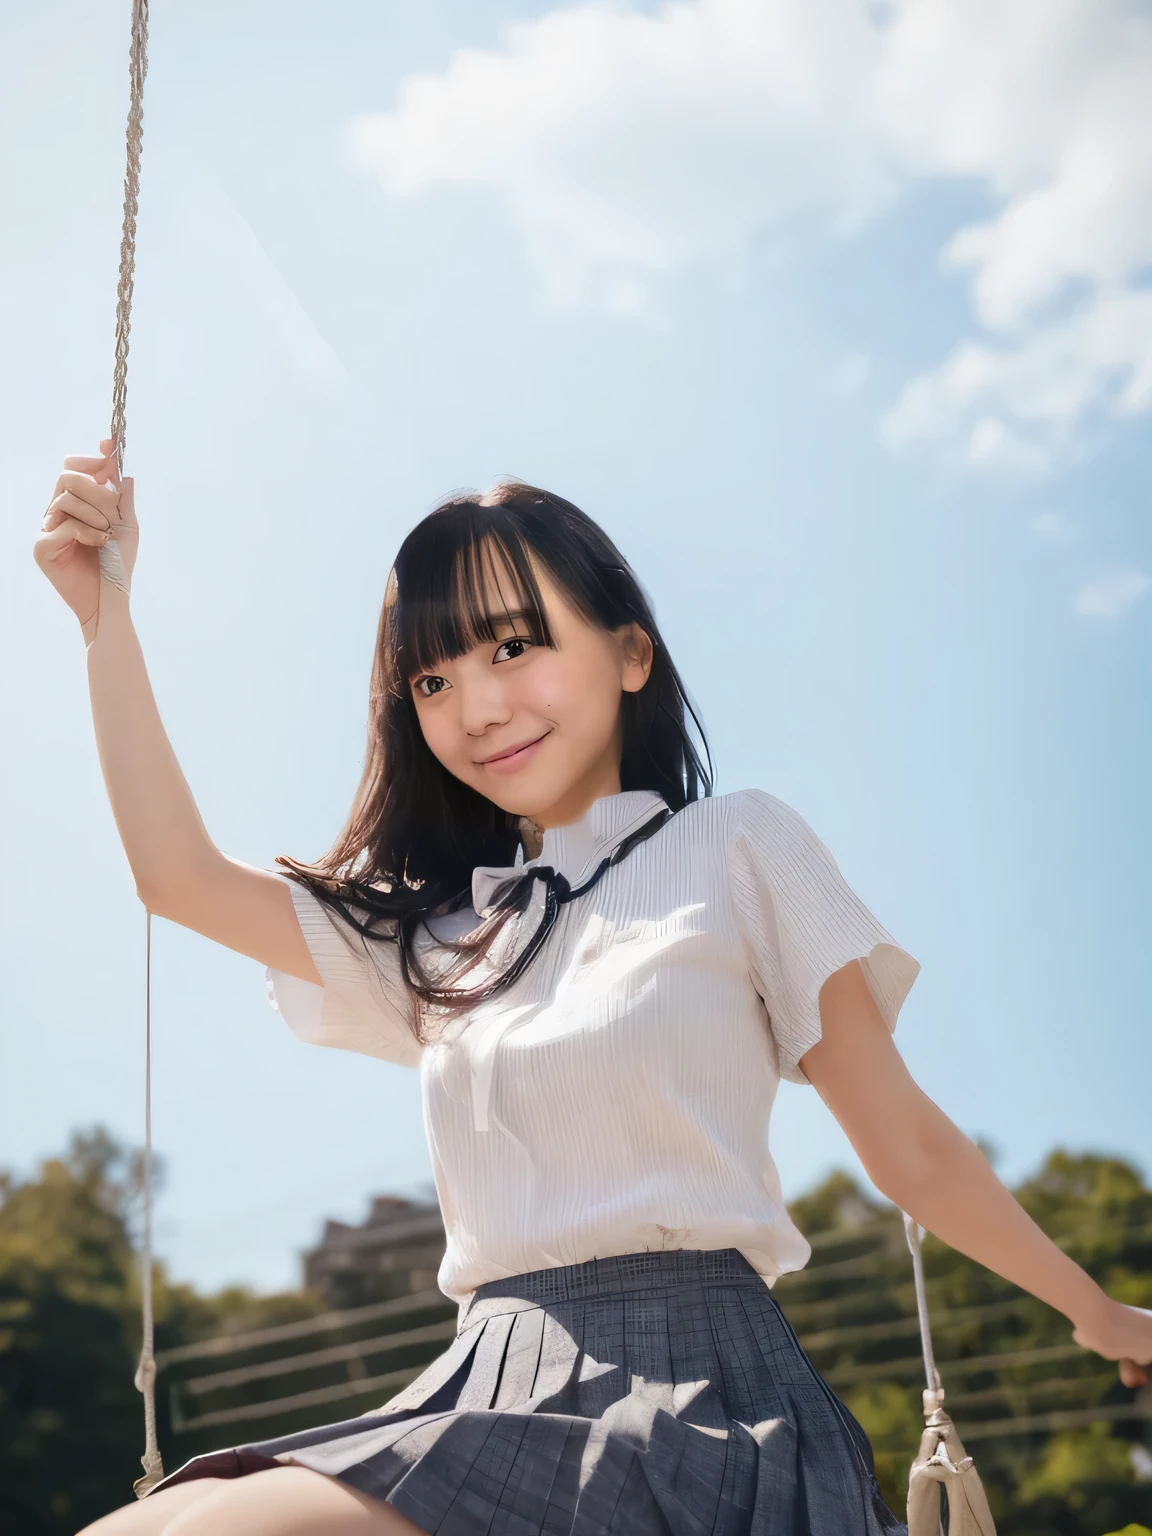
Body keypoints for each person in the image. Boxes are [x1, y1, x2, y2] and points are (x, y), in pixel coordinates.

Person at [36, 439, 1151, 1536]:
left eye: (514, 648)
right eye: (433, 678)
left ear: (631, 653)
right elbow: (176, 878)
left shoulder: (735, 845)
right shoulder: (446, 932)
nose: (475, 707)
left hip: (701, 1405)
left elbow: (905, 1142)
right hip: (481, 1383)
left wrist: (1098, 1313)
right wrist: (104, 617)